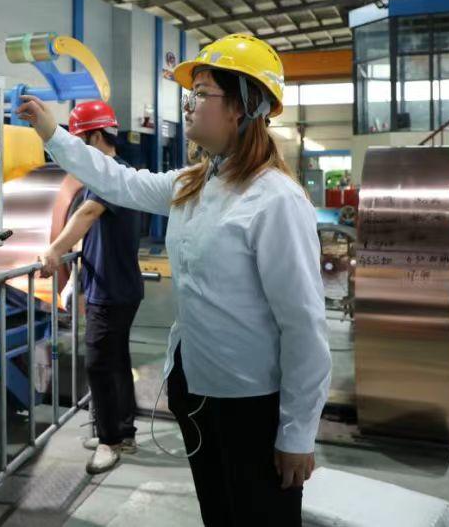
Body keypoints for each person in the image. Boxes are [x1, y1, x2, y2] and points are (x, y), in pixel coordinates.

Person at [18, 34, 330, 526]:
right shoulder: (194, 184)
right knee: (219, 515)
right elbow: (119, 181)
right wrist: (53, 133)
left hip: (251, 405)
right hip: (197, 392)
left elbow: (304, 327)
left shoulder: (276, 201)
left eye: (201, 93)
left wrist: (297, 434)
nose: (188, 104)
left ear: (242, 106)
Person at [38, 100, 144, 475]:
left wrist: (54, 250)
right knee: (116, 362)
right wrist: (75, 277)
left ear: (97, 137)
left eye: (79, 141)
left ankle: (109, 441)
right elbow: (92, 230)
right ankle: (122, 431)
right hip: (114, 285)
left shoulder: (112, 175)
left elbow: (87, 215)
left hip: (113, 289)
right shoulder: (108, 176)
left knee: (99, 364)